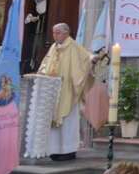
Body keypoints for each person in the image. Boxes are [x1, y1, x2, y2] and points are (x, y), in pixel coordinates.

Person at [37, 22, 99, 160]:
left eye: (57, 33)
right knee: (54, 122)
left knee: (68, 122)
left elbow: (86, 57)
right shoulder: (54, 47)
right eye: (54, 33)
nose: (54, 35)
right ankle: (54, 150)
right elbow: (45, 64)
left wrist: (92, 59)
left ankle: (68, 151)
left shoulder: (73, 46)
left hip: (68, 91)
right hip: (54, 90)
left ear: (66, 33)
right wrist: (41, 74)